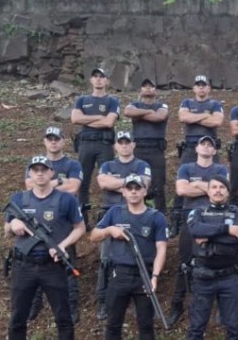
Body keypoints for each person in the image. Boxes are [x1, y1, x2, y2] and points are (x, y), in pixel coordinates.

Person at [0, 156, 85, 340]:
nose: (40, 173)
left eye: (44, 169)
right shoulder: (19, 199)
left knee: (63, 317)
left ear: (51, 173)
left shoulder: (65, 200)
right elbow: (6, 230)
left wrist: (62, 246)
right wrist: (13, 224)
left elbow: (80, 228)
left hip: (52, 266)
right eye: (35, 170)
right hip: (23, 266)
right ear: (30, 174)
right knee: (18, 317)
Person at [172, 174, 238, 340]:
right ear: (208, 191)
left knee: (234, 324)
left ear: (228, 191)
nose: (218, 190)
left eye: (222, 187)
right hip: (203, 277)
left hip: (230, 277)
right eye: (214, 187)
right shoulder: (197, 212)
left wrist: (210, 236)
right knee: (197, 325)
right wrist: (227, 229)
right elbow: (195, 230)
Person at [87, 175, 167, 340]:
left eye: (137, 188)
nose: (133, 192)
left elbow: (161, 249)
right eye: (129, 188)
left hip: (144, 275)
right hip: (119, 275)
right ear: (123, 191)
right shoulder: (115, 212)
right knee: (113, 323)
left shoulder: (156, 217)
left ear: (144, 192)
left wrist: (155, 276)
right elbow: (93, 236)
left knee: (146, 324)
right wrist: (109, 230)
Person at [168, 136, 229, 327]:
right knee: (184, 262)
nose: (206, 147)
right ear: (196, 148)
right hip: (190, 217)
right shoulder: (186, 168)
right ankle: (177, 305)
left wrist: (196, 185)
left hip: (215, 217)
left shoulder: (221, 169)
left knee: (218, 260)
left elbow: (222, 194)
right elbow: (181, 191)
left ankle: (220, 306)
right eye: (203, 144)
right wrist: (210, 187)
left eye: (210, 145)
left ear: (214, 151)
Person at [24, 126, 83, 324]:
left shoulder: (72, 164)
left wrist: (46, 185)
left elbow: (73, 188)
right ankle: (34, 304)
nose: (53, 142)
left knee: (67, 264)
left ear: (63, 140)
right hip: (37, 220)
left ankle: (71, 306)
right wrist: (58, 182)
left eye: (56, 138)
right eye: (49, 138)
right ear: (44, 141)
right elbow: (29, 186)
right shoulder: (35, 162)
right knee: (35, 264)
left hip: (63, 220)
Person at [95, 131, 152, 321]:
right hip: (110, 213)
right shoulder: (107, 165)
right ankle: (103, 301)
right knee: (106, 259)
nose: (125, 145)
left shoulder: (142, 165)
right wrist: (130, 182)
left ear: (133, 145)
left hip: (137, 214)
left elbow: (145, 184)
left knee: (139, 256)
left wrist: (117, 184)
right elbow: (103, 183)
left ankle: (140, 299)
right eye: (121, 142)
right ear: (115, 146)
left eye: (128, 142)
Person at [170, 75, 224, 236]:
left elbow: (217, 121)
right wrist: (206, 116)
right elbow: (183, 117)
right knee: (182, 180)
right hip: (190, 148)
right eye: (198, 85)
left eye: (204, 85)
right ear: (194, 88)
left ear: (209, 88)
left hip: (210, 147)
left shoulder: (215, 104)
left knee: (217, 181)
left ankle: (214, 215)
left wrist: (194, 118)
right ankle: (176, 221)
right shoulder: (187, 103)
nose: (201, 87)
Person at [70, 67, 119, 212]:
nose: (98, 79)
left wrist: (85, 120)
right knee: (82, 180)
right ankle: (82, 212)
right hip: (85, 143)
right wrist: (98, 117)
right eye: (95, 76)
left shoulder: (112, 101)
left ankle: (109, 211)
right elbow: (75, 119)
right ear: (91, 80)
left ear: (107, 81)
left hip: (105, 144)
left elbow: (108, 122)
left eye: (101, 76)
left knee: (108, 179)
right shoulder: (82, 100)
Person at [124, 78, 169, 214]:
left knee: (158, 186)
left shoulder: (161, 105)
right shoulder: (134, 104)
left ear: (156, 90)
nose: (148, 88)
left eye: (151, 86)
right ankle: (135, 214)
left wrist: (140, 114)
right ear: (141, 90)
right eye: (145, 86)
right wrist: (149, 112)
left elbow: (160, 117)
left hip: (156, 150)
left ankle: (161, 216)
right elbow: (128, 112)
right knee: (136, 183)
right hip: (138, 149)